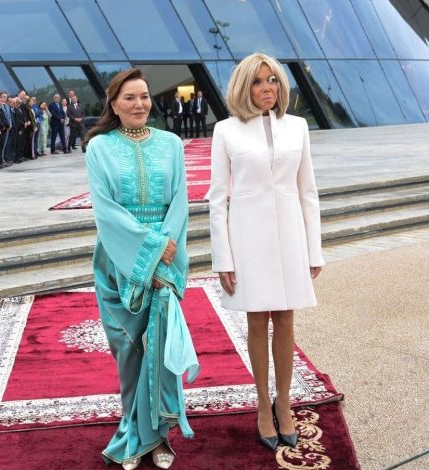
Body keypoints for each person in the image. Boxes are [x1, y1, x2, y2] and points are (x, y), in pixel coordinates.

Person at [208, 53, 324, 451]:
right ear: (245, 87)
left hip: (290, 234)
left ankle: (285, 403)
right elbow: (217, 199)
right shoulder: (226, 131)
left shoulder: (298, 127)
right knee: (258, 319)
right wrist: (223, 257)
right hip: (247, 237)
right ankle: (262, 404)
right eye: (258, 82)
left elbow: (308, 192)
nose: (267, 88)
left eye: (272, 80)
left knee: (286, 319)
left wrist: (315, 249)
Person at [84, 67, 197, 470]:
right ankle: (133, 435)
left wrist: (166, 247)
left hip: (165, 257)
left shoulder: (171, 144)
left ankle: (159, 438)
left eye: (145, 96)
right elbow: (105, 210)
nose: (139, 104)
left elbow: (181, 200)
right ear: (113, 104)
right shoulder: (98, 148)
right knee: (130, 353)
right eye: (129, 98)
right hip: (118, 262)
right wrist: (148, 249)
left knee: (160, 350)